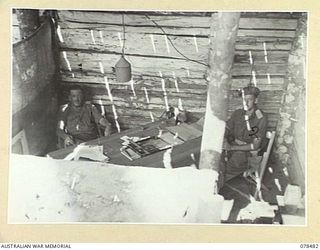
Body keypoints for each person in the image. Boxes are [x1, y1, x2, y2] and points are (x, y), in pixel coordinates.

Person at [221, 85, 268, 183]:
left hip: (247, 152)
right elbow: (227, 128)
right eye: (244, 100)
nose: (246, 103)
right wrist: (225, 139)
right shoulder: (237, 113)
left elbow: (255, 145)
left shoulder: (260, 118)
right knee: (216, 157)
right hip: (232, 144)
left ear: (256, 100)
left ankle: (217, 184)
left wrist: (232, 148)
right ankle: (216, 176)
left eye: (249, 100)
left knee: (236, 161)